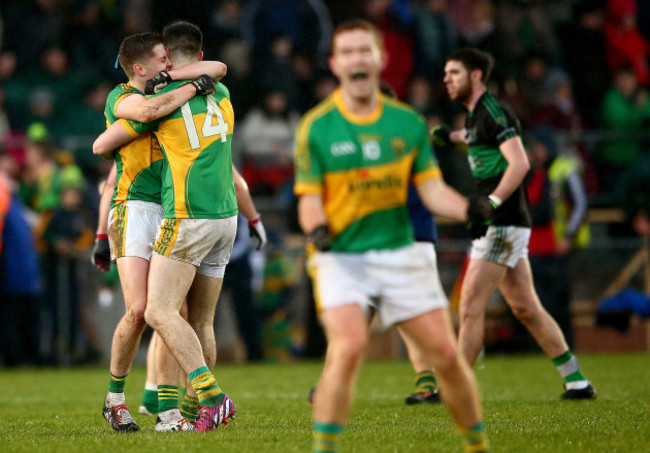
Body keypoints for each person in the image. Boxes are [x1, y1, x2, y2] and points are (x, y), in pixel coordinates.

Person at [294, 19, 490, 453]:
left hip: (401, 253)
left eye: (365, 51)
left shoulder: (408, 124)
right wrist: (317, 228)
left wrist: (468, 208)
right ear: (334, 63)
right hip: (341, 257)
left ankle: (478, 446)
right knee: (347, 348)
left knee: (447, 358)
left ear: (382, 59)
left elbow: (433, 191)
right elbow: (308, 199)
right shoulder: (316, 126)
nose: (357, 59)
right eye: (347, 52)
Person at [94, 21, 243, 433]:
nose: (166, 64)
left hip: (172, 206)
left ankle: (172, 412)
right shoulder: (124, 96)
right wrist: (195, 86)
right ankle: (116, 397)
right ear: (140, 68)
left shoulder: (166, 96)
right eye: (160, 60)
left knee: (170, 311)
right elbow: (108, 140)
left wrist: (183, 83)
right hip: (134, 207)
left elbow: (215, 67)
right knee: (142, 310)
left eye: (169, 58)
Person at [433, 47, 596, 399]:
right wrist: (449, 137)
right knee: (526, 308)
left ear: (476, 76)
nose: (446, 79)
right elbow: (475, 137)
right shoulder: (476, 116)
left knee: (471, 304)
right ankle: (576, 380)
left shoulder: (495, 111)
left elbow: (519, 163)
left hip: (501, 222)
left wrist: (491, 203)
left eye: (454, 73)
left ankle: (455, 387)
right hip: (506, 224)